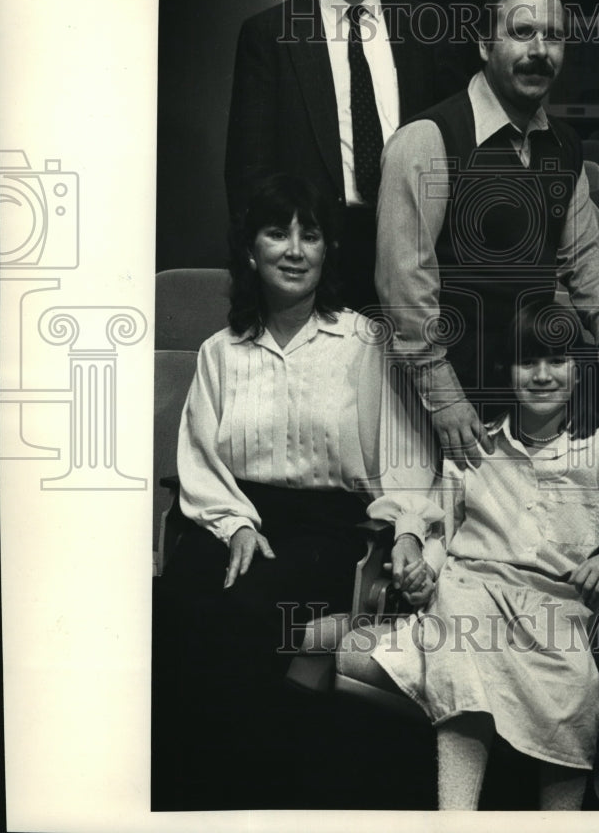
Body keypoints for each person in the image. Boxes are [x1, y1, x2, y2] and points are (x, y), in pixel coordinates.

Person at [366, 302, 599, 811]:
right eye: (525, 362)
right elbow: (439, 529)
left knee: (573, 694)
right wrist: (422, 564)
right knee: (462, 639)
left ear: (578, 372)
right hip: (472, 587)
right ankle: (457, 815)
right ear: (505, 373)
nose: (540, 376)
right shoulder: (475, 446)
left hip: (553, 605)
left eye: (555, 361)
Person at [152, 174, 396, 808]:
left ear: (328, 252)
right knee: (174, 602)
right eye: (277, 232)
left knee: (245, 612)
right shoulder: (220, 352)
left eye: (310, 235)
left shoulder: (364, 344)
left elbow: (404, 462)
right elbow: (201, 458)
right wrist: (235, 524)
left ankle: (249, 799)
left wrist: (411, 531)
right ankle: (176, 798)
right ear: (250, 252)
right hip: (236, 513)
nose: (294, 249)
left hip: (330, 529)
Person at [375, 0, 599, 470]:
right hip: (458, 373)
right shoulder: (428, 140)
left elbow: (587, 251)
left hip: (533, 364)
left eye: (553, 36)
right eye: (522, 33)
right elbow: (404, 285)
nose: (540, 50)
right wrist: (443, 397)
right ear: (486, 45)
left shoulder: (564, 145)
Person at [224, 0, 468, 311]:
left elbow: (453, 161)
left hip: (412, 270)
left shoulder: (426, 29)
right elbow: (248, 177)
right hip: (309, 275)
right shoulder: (269, 36)